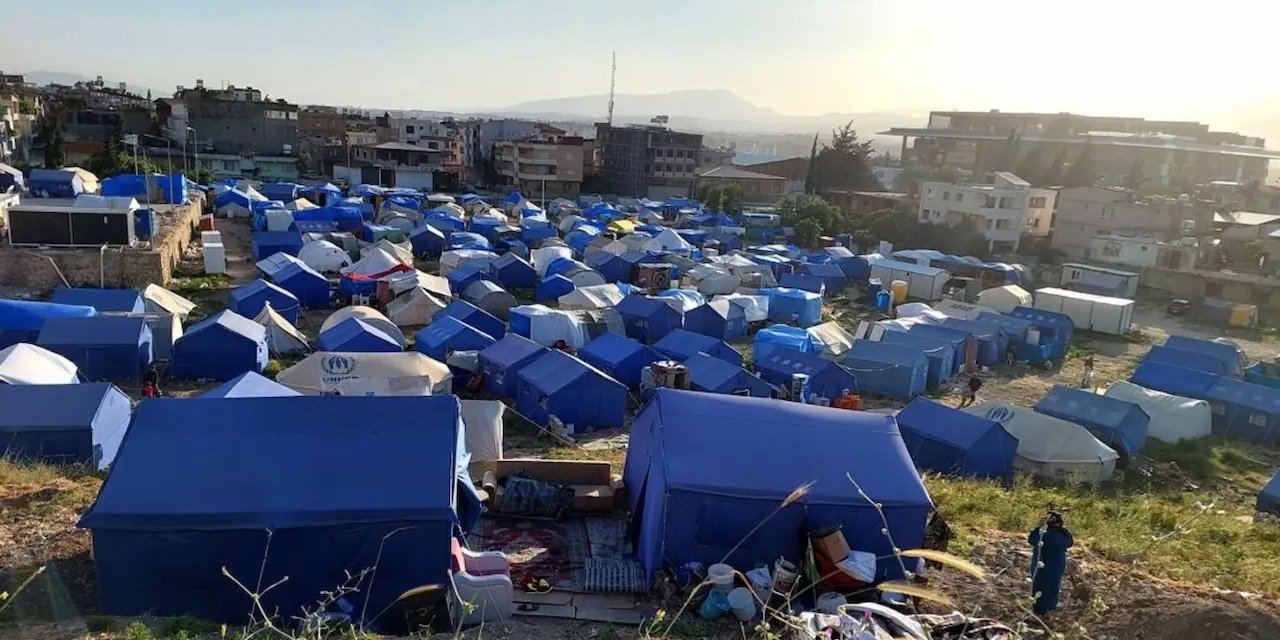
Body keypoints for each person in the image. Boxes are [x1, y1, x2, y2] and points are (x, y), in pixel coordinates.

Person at [1028, 511, 1074, 616]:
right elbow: (1070, 542)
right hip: (1057, 566)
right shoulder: (1064, 536)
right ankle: (1050, 609)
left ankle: (1039, 611)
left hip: (1043, 568)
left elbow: (1032, 539)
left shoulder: (1045, 536)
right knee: (1053, 588)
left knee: (1040, 588)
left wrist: (1038, 527)